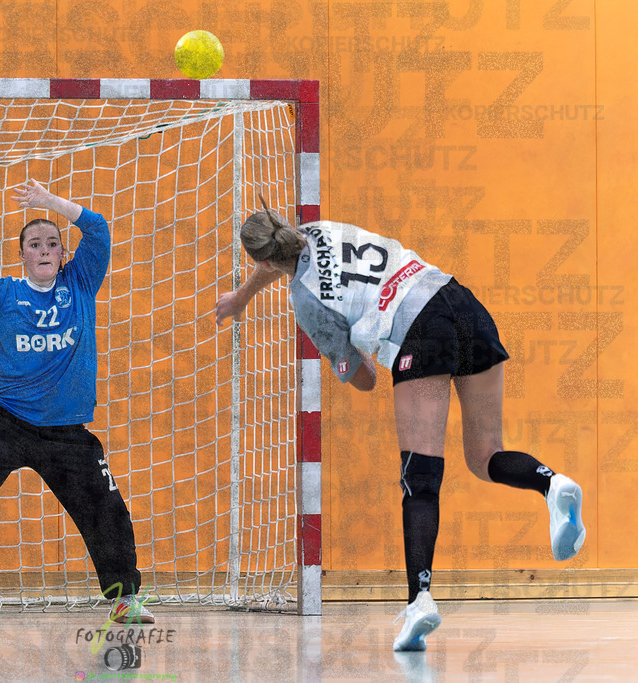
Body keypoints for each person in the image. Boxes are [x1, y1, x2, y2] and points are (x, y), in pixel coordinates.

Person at [214, 195, 585, 652]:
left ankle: (419, 600)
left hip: (419, 330)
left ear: (264, 259)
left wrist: (357, 346)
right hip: (462, 302)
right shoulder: (316, 229)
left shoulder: (306, 302)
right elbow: (279, 258)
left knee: (420, 477)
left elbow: (366, 380)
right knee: (485, 455)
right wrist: (243, 297)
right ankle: (552, 484)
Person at [0, 179, 153, 625]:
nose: (45, 249)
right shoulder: (4, 291)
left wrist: (49, 201)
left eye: (52, 243)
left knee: (106, 511)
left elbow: (98, 228)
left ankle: (124, 599)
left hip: (65, 430)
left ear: (64, 254)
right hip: (6, 419)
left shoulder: (81, 282)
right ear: (22, 254)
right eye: (35, 244)